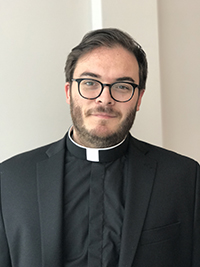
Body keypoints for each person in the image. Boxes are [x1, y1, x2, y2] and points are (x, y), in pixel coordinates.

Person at [0, 28, 199, 267]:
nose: (105, 99)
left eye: (123, 86)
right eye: (90, 83)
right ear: (68, 92)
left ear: (139, 99)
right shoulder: (10, 179)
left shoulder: (185, 178)